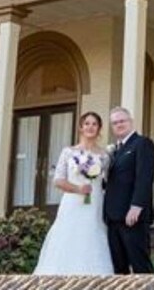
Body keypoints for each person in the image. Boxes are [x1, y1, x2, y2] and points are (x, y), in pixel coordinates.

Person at [32, 111, 115, 275]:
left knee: (92, 234)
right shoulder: (69, 152)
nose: (90, 127)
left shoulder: (105, 156)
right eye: (87, 124)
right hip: (73, 202)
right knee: (68, 235)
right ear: (80, 128)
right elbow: (58, 180)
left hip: (95, 203)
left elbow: (108, 181)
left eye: (94, 124)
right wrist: (78, 189)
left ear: (99, 129)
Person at [103, 106, 154, 274]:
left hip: (132, 216)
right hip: (113, 217)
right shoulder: (115, 150)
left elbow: (145, 178)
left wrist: (136, 206)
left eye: (122, 121)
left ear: (130, 122)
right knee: (119, 268)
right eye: (115, 123)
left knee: (140, 265)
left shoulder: (142, 144)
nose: (118, 125)